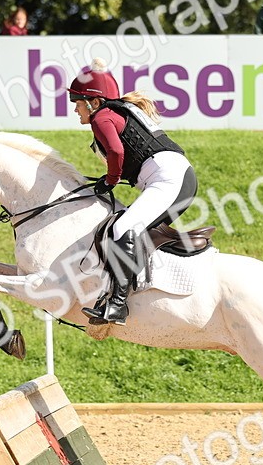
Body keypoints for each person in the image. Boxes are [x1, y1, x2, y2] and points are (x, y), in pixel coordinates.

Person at [67, 59, 198, 326]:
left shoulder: (101, 117)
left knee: (123, 227)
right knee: (124, 226)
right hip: (173, 176)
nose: (76, 110)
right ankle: (142, 287)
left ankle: (117, 305)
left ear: (93, 102)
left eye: (78, 103)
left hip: (168, 178)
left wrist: (111, 179)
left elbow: (116, 151)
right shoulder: (114, 113)